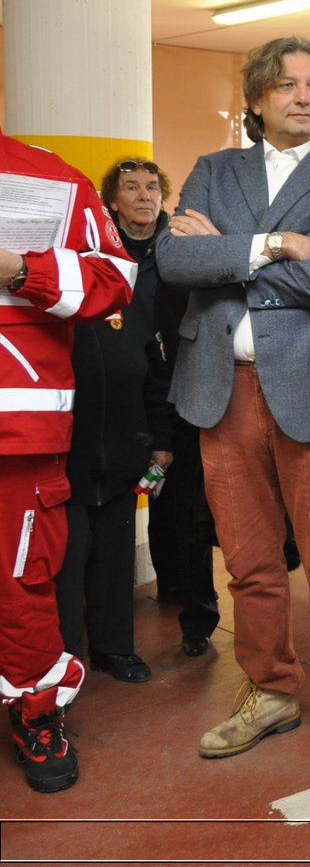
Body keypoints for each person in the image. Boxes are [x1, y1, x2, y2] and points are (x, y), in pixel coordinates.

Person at [156, 36, 310, 794]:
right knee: (251, 564)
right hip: (221, 393)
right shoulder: (212, 169)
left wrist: (232, 255)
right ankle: (270, 692)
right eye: (286, 86)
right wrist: (278, 245)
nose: (303, 97)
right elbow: (174, 261)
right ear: (258, 99)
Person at [1, 130, 136, 793]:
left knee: (23, 583)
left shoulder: (49, 176)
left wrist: (21, 269)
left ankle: (36, 711)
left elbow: (115, 281)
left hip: (17, 429)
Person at [56, 160, 181, 684]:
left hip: (124, 455)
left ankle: (114, 648)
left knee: (113, 560)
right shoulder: (53, 302)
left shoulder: (127, 301)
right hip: (65, 461)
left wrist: (160, 443)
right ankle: (63, 659)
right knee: (65, 565)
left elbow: (154, 378)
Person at [113, 160, 221, 658]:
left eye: (152, 187)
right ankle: (170, 588)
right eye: (131, 188)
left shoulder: (178, 248)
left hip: (184, 394)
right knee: (151, 500)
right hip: (125, 402)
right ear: (114, 200)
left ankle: (198, 617)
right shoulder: (104, 252)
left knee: (191, 507)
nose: (143, 196)